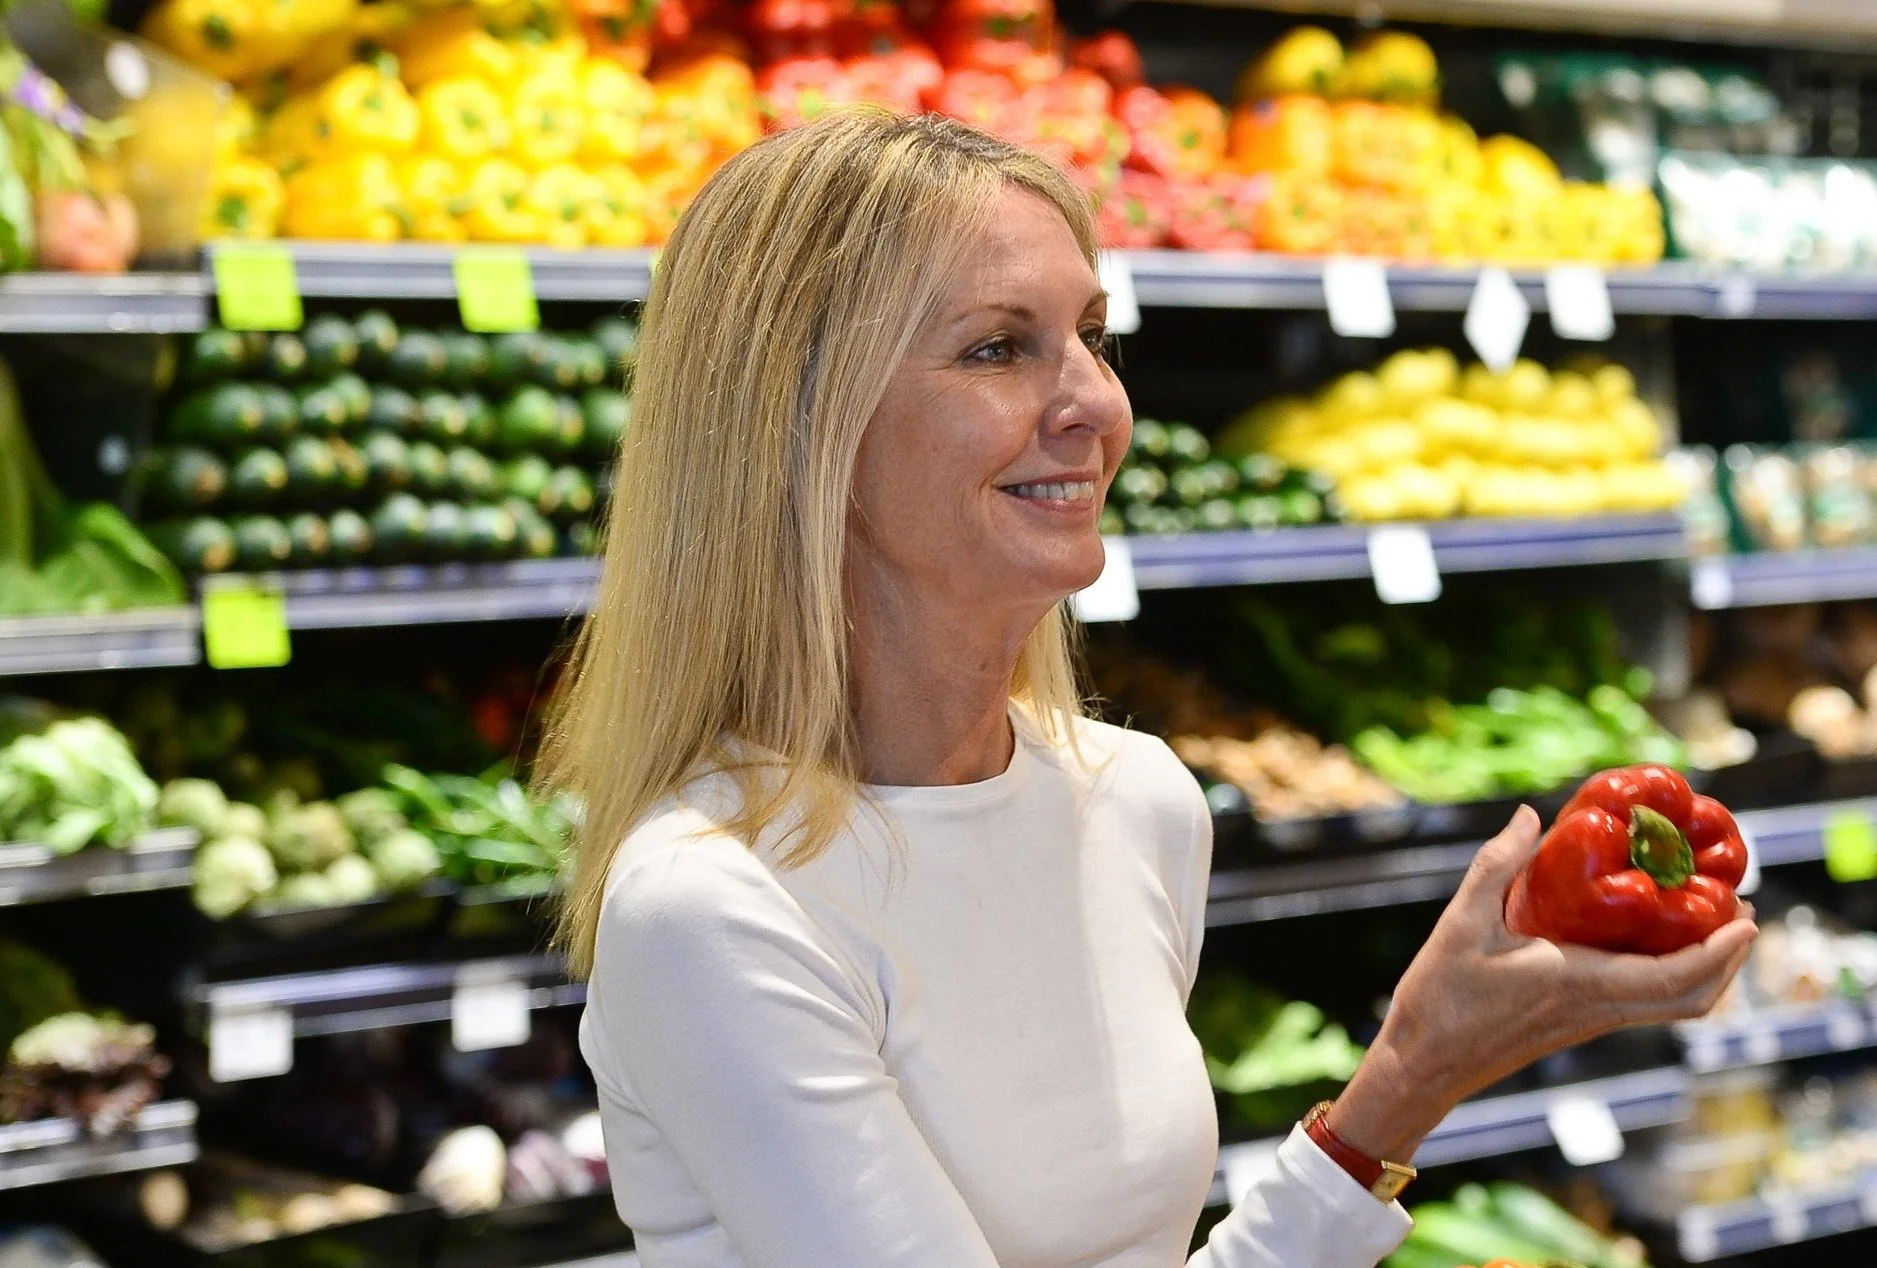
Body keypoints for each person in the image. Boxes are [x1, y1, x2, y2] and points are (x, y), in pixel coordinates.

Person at [540, 108, 1756, 1268]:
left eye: (1088, 337)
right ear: (797, 429)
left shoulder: (1132, 801)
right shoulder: (712, 903)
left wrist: (1411, 1073)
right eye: (997, 347)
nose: (1098, 405)